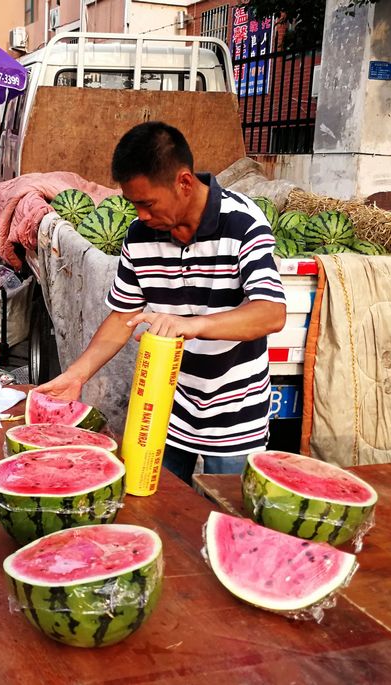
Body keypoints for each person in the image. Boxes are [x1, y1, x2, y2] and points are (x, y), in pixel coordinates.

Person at [37, 121, 287, 481]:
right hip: (165, 409)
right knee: (157, 511)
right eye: (133, 204)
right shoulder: (139, 237)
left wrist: (195, 325)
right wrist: (77, 373)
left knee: (228, 515)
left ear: (184, 183)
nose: (141, 215)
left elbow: (270, 313)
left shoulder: (243, 224)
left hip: (236, 418)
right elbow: (123, 316)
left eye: (147, 203)